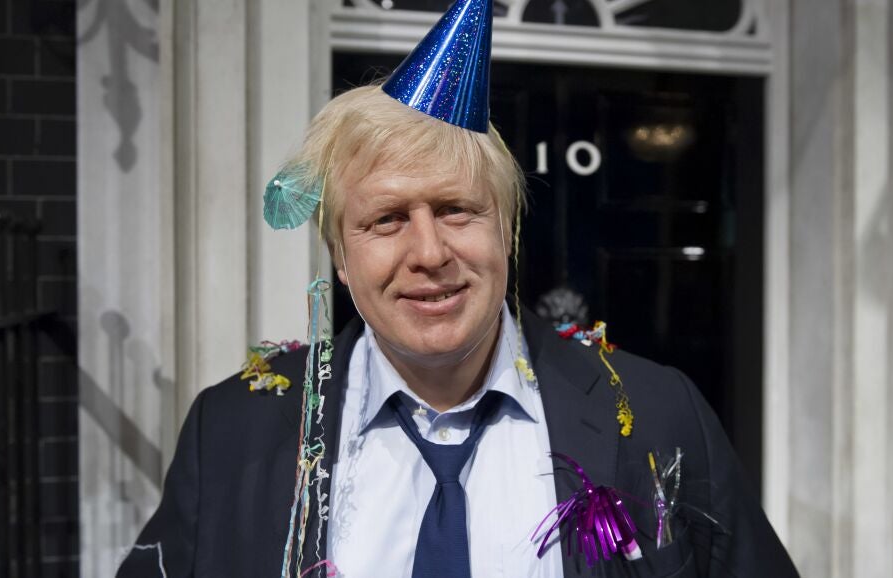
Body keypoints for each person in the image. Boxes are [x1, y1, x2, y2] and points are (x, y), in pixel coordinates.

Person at [118, 1, 799, 577]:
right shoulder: (233, 431)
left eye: (455, 210)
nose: (429, 253)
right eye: (387, 220)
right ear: (341, 257)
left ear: (506, 230)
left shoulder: (662, 412)